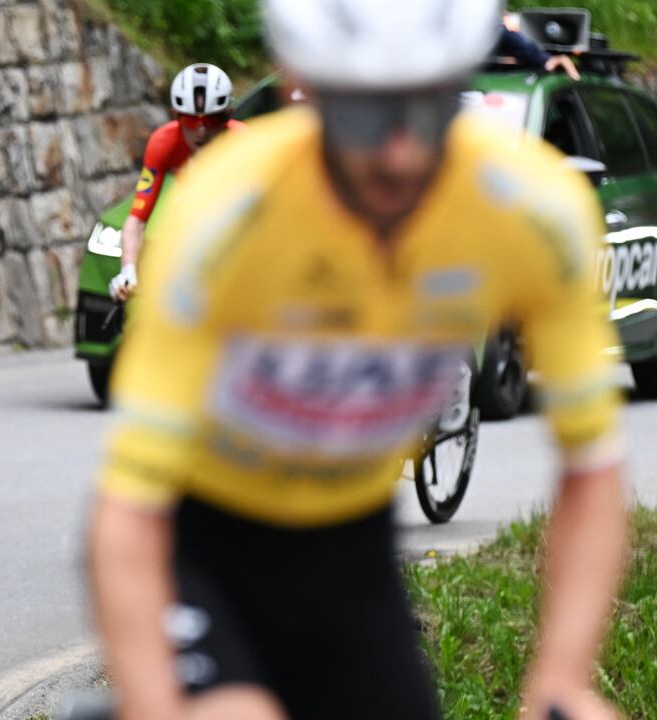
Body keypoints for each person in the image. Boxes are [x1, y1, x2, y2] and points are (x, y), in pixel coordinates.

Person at [89, 0, 627, 719]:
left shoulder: (533, 208)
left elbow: (592, 467)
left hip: (350, 544)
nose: (400, 152)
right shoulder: (225, 211)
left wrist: (561, 678)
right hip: (205, 544)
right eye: (367, 118)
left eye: (432, 112)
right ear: (299, 88)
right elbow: (126, 509)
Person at [109, 63, 248, 303]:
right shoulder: (164, 143)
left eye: (212, 120)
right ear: (176, 117)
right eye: (191, 121)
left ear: (228, 117)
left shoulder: (245, 143)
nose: (202, 132)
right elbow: (137, 220)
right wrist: (128, 270)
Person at [496, 11, 581, 80]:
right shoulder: (544, 60)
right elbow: (563, 59)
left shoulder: (537, 63)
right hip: (521, 46)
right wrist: (574, 76)